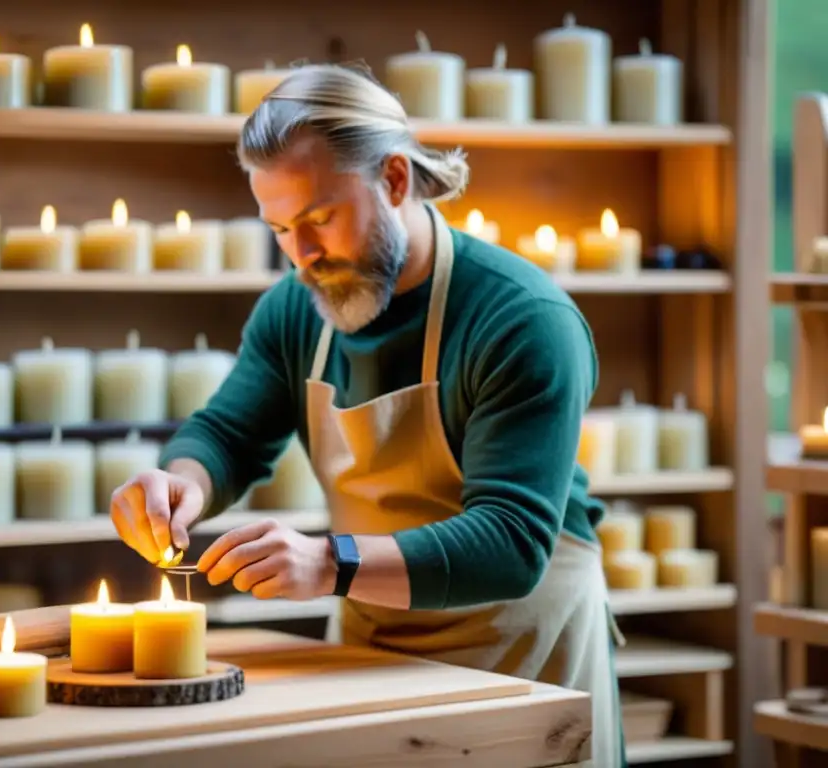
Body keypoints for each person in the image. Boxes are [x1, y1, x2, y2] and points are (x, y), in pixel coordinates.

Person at [111, 63, 626, 767]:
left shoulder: (520, 319)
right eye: (280, 228)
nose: (303, 256)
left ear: (393, 180)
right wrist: (182, 484)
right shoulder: (297, 308)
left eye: (320, 218)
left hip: (526, 660)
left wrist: (329, 562)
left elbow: (510, 543)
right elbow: (229, 434)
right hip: (374, 645)